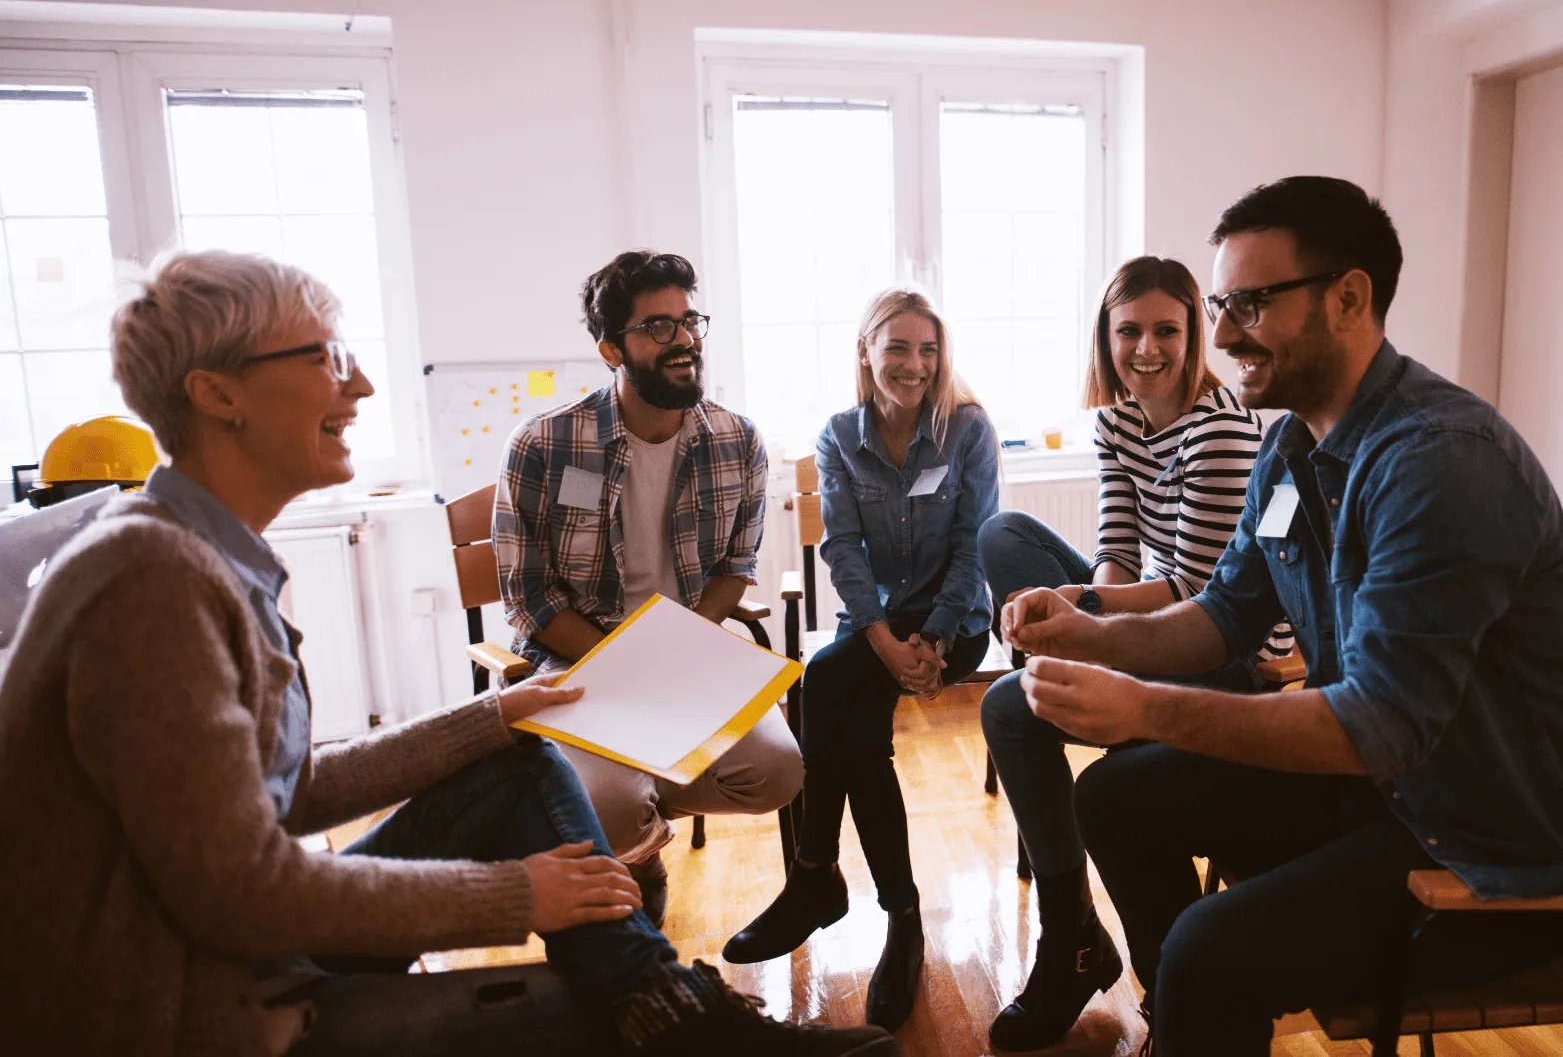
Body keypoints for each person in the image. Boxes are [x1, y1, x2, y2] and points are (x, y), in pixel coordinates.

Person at [0, 249, 896, 1057]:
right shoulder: (150, 578)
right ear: (217, 393)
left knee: (518, 764)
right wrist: (516, 897)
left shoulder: (195, 554)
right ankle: (669, 1009)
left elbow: (294, 789)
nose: (359, 390)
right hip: (186, 1000)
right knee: (589, 1008)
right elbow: (237, 895)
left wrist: (490, 715)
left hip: (234, 941)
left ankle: (663, 1002)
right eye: (323, 358)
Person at [1003, 178, 1563, 1055]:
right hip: (1376, 790)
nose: (1221, 337)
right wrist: (1089, 633)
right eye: (1222, 305)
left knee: (1207, 948)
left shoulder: (1442, 465)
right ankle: (1184, 1023)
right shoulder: (1289, 446)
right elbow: (1224, 614)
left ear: (1348, 298)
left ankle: (1190, 1005)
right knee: (1111, 797)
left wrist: (1143, 707)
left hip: (1478, 839)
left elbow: (1375, 726)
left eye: (1250, 305)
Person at [977, 256, 1294, 1050]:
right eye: (1128, 331)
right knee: (1004, 534)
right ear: (1104, 337)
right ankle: (1077, 932)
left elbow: (1195, 592)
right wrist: (1088, 616)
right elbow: (1117, 554)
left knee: (1010, 707)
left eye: (1165, 331)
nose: (1144, 349)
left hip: (1230, 649)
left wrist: (1082, 616)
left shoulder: (1219, 427)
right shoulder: (1116, 421)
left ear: (1194, 337)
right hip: (1158, 616)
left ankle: (1076, 948)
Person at [494, 250, 803, 927]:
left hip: (685, 658)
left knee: (778, 773)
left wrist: (677, 653)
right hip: (577, 664)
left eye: (690, 321)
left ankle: (639, 809)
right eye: (658, 327)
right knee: (605, 806)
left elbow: (735, 568)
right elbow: (528, 595)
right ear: (611, 348)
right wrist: (625, 671)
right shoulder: (544, 445)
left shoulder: (737, 440)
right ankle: (638, 852)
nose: (685, 340)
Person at [722, 286, 1001, 1032]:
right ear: (865, 351)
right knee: (850, 707)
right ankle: (898, 915)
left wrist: (935, 639)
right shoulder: (840, 435)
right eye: (898, 347)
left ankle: (816, 878)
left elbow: (976, 541)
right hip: (876, 623)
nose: (914, 364)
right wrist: (883, 639)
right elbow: (840, 546)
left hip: (955, 617)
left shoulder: (965, 430)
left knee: (825, 681)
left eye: (927, 349)